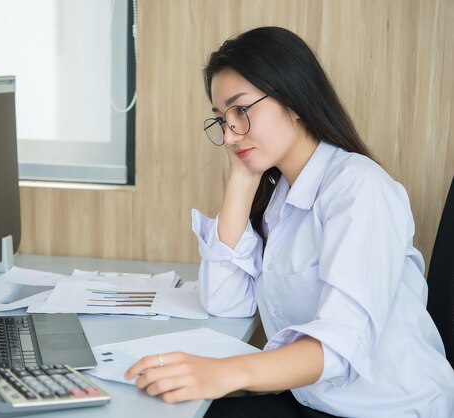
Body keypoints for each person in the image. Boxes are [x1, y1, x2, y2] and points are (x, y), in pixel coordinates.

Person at [124, 26, 454, 417]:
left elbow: (340, 345)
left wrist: (225, 374)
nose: (229, 134)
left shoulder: (358, 190)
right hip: (316, 399)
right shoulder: (281, 193)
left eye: (241, 111)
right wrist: (243, 179)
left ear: (294, 101)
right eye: (221, 120)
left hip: (386, 409)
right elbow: (225, 303)